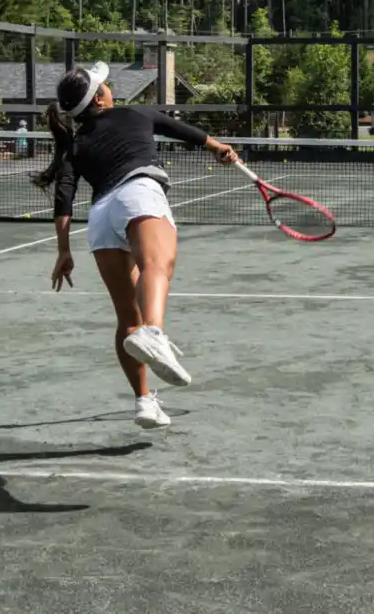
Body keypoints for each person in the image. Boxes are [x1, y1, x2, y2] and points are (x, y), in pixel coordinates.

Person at [31, 62, 238, 429]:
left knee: (128, 318)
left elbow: (64, 199)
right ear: (100, 98)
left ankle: (144, 401)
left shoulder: (75, 144)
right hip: (137, 193)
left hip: (100, 218)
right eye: (105, 84)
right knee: (158, 265)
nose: (110, 87)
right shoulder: (135, 112)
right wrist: (217, 146)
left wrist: (64, 250)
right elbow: (181, 130)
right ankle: (155, 334)